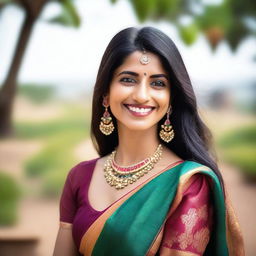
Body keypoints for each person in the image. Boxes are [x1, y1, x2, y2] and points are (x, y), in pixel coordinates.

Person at [53, 27, 244, 256]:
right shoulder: (80, 177)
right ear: (105, 93)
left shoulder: (188, 184)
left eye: (158, 83)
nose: (142, 95)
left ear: (171, 99)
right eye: (128, 79)